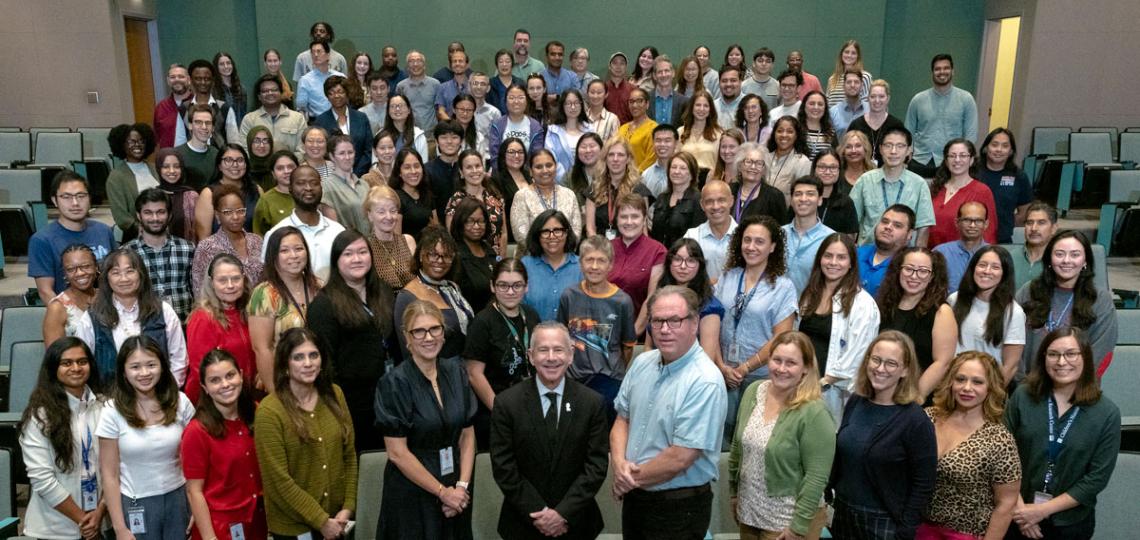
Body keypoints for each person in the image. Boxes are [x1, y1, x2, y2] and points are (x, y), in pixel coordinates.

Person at [611, 286, 729, 539]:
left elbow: (681, 457)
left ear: (695, 322)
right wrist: (620, 466)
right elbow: (622, 419)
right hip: (636, 498)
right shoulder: (642, 362)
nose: (664, 329)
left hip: (678, 508)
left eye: (675, 320)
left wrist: (627, 480)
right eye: (657, 321)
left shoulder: (705, 380)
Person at [489, 320, 609, 540]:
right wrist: (541, 514)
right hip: (523, 524)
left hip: (577, 524)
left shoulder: (592, 403)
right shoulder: (507, 404)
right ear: (531, 355)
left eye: (558, 350)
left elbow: (596, 466)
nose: (551, 357)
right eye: (543, 350)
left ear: (571, 354)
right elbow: (504, 467)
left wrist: (563, 514)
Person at [1004, 328, 1121, 540]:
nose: (1061, 362)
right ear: (1043, 358)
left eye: (1071, 353)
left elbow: (1096, 478)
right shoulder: (1022, 396)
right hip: (1015, 513)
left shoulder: (1107, 413)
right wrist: (1021, 511)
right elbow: (1003, 456)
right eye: (1053, 354)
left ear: (1085, 357)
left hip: (1070, 525)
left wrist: (1041, 511)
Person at [374, 300, 478, 539]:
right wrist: (443, 493)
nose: (428, 338)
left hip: (455, 487)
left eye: (435, 329)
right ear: (407, 337)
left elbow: (468, 434)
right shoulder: (393, 384)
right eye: (419, 331)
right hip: (412, 492)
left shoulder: (456, 371)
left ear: (443, 332)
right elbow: (397, 453)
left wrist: (461, 487)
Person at [828, 331, 937, 540]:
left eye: (890, 364)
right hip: (843, 515)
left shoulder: (915, 420)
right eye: (876, 360)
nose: (880, 369)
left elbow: (924, 482)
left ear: (905, 370)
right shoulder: (856, 402)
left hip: (884, 524)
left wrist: (906, 529)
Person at [728, 331, 836, 540]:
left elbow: (816, 477)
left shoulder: (814, 412)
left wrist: (798, 527)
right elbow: (736, 448)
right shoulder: (754, 391)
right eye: (777, 360)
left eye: (791, 363)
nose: (781, 369)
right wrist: (734, 492)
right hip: (749, 513)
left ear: (805, 368)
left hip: (787, 524)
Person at [254, 327, 357, 540]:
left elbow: (349, 456)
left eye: (313, 355)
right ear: (285, 364)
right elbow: (279, 482)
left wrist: (348, 507)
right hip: (294, 529)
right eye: (298, 357)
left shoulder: (335, 394)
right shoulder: (270, 411)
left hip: (338, 521)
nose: (308, 363)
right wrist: (321, 521)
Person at [96, 336, 195, 540]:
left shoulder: (181, 402)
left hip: (179, 498)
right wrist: (120, 528)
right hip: (136, 502)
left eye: (151, 365)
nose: (144, 373)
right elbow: (109, 475)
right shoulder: (111, 412)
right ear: (123, 371)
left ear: (162, 366)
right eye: (135, 367)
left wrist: (196, 507)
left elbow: (196, 461)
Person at [307, 230, 394, 451]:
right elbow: (325, 362)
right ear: (336, 261)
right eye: (348, 254)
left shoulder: (383, 291)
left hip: (389, 392)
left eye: (362, 252)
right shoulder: (324, 304)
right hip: (352, 401)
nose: (357, 259)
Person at [715, 215, 798, 447]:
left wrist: (745, 367)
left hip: (759, 377)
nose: (751, 247)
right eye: (747, 240)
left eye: (759, 242)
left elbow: (781, 337)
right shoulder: (728, 277)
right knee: (721, 438)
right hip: (722, 372)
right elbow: (711, 323)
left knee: (750, 440)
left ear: (772, 247)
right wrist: (720, 365)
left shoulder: (782, 287)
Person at [920, 351, 1021, 540]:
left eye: (977, 382)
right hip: (919, 528)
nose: (967, 388)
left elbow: (1006, 504)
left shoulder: (1000, 440)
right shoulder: (927, 418)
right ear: (951, 382)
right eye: (960, 379)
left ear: (990, 387)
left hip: (965, 534)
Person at [19, 337, 105, 540]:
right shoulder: (40, 416)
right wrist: (83, 519)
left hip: (101, 522)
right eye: (66, 363)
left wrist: (100, 512)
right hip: (54, 529)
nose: (76, 368)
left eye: (82, 362)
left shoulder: (105, 407)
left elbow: (116, 469)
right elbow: (42, 479)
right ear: (53, 368)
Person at [182, 349, 266, 540]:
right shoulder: (197, 431)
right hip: (221, 529)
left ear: (242, 376)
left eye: (230, 375)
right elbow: (194, 491)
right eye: (215, 380)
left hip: (258, 521)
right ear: (204, 386)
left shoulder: (256, 412)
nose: (225, 384)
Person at [796, 234, 880, 422]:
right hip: (798, 384)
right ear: (820, 259)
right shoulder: (810, 294)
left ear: (851, 263)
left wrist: (822, 383)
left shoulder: (862, 303)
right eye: (828, 256)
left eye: (841, 257)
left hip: (829, 392)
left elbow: (858, 354)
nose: (833, 262)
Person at [75, 249, 187, 385]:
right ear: (106, 278)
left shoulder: (163, 311)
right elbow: (82, 361)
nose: (124, 279)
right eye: (116, 273)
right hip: (110, 398)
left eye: (130, 271)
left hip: (159, 397)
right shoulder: (93, 317)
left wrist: (169, 393)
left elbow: (179, 359)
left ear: (141, 274)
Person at [1016, 230, 1117, 376]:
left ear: (1085, 261)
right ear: (1049, 259)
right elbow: (1012, 341)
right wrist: (1022, 384)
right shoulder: (1029, 291)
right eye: (1059, 254)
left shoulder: (1100, 299)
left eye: (1075, 255)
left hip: (1078, 389)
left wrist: (1069, 386)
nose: (1066, 260)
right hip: (1028, 386)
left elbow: (1101, 351)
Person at [464, 259, 541, 449]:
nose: (510, 291)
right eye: (503, 285)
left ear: (526, 287)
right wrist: (500, 411)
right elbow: (474, 374)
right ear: (492, 286)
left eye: (517, 285)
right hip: (496, 411)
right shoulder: (483, 322)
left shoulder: (531, 315)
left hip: (529, 406)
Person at [557, 235, 637, 416]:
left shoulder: (622, 301)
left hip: (609, 378)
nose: (594, 266)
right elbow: (561, 338)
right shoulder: (569, 295)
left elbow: (627, 347)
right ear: (580, 263)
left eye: (601, 261)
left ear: (610, 265)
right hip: (574, 378)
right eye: (589, 260)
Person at [248, 227, 322, 393]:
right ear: (273, 256)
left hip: (317, 378)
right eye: (285, 250)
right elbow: (262, 349)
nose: (294, 256)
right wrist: (275, 394)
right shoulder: (264, 294)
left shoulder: (317, 286)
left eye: (299, 249)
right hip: (283, 382)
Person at [878, 247, 958, 397]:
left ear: (932, 276)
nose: (914, 276)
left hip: (916, 398)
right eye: (908, 269)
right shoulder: (885, 305)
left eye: (923, 271)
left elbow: (942, 363)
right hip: (881, 392)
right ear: (898, 271)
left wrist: (914, 398)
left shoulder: (942, 312)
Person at [30, 171, 116, 304]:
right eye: (66, 197)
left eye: (81, 196)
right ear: (55, 200)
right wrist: (73, 318)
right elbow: (46, 292)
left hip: (106, 309)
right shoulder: (42, 240)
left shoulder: (103, 230)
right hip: (69, 314)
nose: (75, 203)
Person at [394, 226, 475, 360]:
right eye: (433, 254)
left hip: (462, 370)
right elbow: (409, 352)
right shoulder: (407, 297)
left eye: (446, 256)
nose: (440, 261)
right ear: (420, 255)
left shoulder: (451, 288)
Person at [948, 246, 1026, 385]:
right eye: (982, 265)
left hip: (987, 389)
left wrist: (991, 397)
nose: (987, 271)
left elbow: (1010, 366)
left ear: (1005, 273)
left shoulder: (1014, 312)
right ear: (973, 268)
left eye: (995, 267)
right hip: (951, 383)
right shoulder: (954, 300)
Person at [185, 253, 256, 404]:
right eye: (222, 280)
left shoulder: (250, 311)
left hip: (248, 396)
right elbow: (200, 370)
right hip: (215, 401)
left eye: (236, 279)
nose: (230, 285)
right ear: (211, 283)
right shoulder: (203, 317)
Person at [638, 239, 724, 362]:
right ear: (669, 262)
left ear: (700, 265)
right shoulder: (659, 298)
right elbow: (648, 346)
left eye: (690, 261)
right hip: (656, 369)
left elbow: (707, 358)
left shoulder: (709, 306)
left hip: (692, 375)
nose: (683, 266)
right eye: (677, 259)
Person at [850, 126, 936, 246]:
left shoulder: (919, 184)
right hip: (868, 253)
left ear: (908, 151)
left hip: (904, 258)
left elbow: (923, 229)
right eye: (888, 145)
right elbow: (850, 224)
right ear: (880, 149)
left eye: (900, 146)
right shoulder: (865, 181)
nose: (893, 151)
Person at [261, 165, 346, 282]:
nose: (308, 188)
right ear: (290, 189)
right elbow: (269, 277)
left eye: (314, 183)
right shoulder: (276, 233)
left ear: (321, 188)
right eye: (301, 183)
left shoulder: (337, 230)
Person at [123, 189, 195, 321]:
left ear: (169, 215)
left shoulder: (187, 248)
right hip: (144, 328)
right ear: (139, 216)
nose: (155, 218)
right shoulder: (126, 253)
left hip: (185, 325)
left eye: (160, 212)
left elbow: (197, 291)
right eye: (148, 213)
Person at [905, 54, 979, 178]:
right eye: (937, 69)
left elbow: (971, 134)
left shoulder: (966, 99)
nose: (942, 72)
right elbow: (908, 131)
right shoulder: (918, 100)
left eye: (946, 68)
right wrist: (909, 152)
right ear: (932, 72)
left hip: (951, 163)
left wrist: (962, 158)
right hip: (920, 161)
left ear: (952, 71)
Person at [190, 184, 264, 293]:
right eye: (228, 212)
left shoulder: (257, 241)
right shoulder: (207, 247)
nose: (235, 217)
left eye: (240, 211)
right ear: (217, 215)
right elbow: (199, 290)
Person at [928, 139, 998, 248]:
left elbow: (989, 233)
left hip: (964, 257)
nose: (957, 160)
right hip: (931, 254)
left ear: (971, 160)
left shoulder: (982, 191)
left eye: (963, 155)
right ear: (946, 161)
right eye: (952, 156)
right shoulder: (935, 188)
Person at [608, 194, 667, 319]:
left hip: (638, 329)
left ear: (644, 219)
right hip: (602, 326)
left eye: (635, 216)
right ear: (616, 220)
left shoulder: (658, 251)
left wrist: (634, 332)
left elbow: (652, 298)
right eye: (623, 217)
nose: (629, 222)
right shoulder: (605, 248)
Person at [521, 210, 582, 322]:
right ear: (537, 236)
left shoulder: (581, 266)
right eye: (545, 232)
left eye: (557, 231)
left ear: (566, 233)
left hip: (572, 338)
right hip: (533, 336)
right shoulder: (525, 265)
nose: (552, 236)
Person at [510, 149, 582, 242]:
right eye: (539, 167)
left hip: (565, 254)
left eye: (549, 165)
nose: (545, 170)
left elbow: (576, 231)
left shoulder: (569, 194)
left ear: (555, 167)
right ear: (531, 171)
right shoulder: (522, 196)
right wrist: (548, 248)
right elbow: (521, 235)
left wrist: (560, 249)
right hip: (532, 254)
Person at [585, 138, 650, 238]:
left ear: (628, 159)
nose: (615, 159)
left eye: (620, 155)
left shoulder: (639, 190)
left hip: (629, 247)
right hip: (600, 247)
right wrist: (600, 251)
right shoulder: (594, 189)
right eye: (611, 155)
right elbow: (590, 229)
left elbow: (642, 229)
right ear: (605, 158)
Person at [446, 149, 507, 256]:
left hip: (496, 261)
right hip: (469, 264)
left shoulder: (495, 196)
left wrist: (501, 260)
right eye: (469, 167)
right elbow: (453, 239)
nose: (474, 170)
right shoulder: (456, 201)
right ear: (461, 172)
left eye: (478, 166)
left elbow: (504, 233)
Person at [195, 144, 262, 241]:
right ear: (219, 166)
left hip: (253, 251)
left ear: (246, 164)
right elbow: (203, 238)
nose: (235, 165)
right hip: (219, 253)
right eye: (228, 160)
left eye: (240, 160)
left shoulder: (257, 190)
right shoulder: (209, 194)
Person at [979, 128, 1034, 244]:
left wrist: (1007, 224)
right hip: (971, 237)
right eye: (994, 145)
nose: (999, 150)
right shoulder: (972, 172)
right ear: (985, 148)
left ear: (1011, 151)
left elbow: (1025, 212)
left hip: (1002, 239)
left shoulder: (1019, 176)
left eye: (1005, 146)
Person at [783, 176, 836, 294]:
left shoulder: (832, 239)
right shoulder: (778, 234)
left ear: (820, 200)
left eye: (810, 194)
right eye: (798, 194)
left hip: (813, 309)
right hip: (776, 309)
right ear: (791, 200)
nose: (803, 199)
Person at [106, 123, 159, 240]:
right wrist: (146, 230)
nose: (137, 145)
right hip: (136, 236)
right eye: (131, 141)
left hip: (162, 231)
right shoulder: (116, 177)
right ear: (122, 145)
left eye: (141, 141)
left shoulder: (155, 168)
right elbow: (121, 217)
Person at [313, 76, 372, 176]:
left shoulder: (361, 118)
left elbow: (368, 150)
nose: (336, 96)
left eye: (340, 91)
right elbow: (320, 153)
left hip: (361, 174)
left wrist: (356, 173)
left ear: (347, 93)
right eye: (331, 93)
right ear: (327, 96)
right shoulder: (320, 121)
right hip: (331, 176)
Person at [448, 199, 498, 313]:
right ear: (460, 222)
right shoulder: (454, 253)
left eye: (481, 221)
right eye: (470, 221)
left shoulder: (489, 249)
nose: (477, 226)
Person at [684, 180, 738, 283]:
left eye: (721, 200)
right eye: (709, 202)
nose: (716, 206)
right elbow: (683, 274)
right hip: (701, 296)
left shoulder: (745, 237)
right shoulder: (692, 236)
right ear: (702, 205)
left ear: (731, 201)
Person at [43, 245, 98, 345]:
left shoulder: (107, 297)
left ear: (96, 267)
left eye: (86, 266)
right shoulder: (57, 308)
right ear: (65, 274)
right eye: (71, 269)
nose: (80, 273)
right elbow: (54, 355)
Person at [365, 184, 417, 290]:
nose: (389, 217)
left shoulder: (408, 241)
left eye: (393, 211)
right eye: (381, 212)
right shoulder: (365, 247)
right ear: (370, 215)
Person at [857, 204, 915, 297]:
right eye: (884, 221)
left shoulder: (909, 268)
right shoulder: (855, 254)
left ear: (909, 234)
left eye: (897, 225)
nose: (888, 227)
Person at [651, 151, 706, 249]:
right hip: (659, 256)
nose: (677, 171)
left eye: (683, 168)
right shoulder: (662, 198)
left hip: (684, 258)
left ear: (692, 174)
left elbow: (698, 237)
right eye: (674, 167)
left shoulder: (698, 200)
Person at [241, 74, 307, 154]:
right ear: (259, 96)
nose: (270, 93)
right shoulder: (249, 120)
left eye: (274, 90)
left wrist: (287, 163)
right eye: (265, 91)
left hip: (290, 166)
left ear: (281, 93)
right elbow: (244, 150)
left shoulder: (298, 118)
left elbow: (302, 150)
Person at [181, 59, 241, 147]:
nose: (203, 82)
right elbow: (180, 140)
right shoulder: (183, 108)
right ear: (190, 80)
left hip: (219, 158)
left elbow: (234, 141)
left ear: (213, 80)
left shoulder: (224, 108)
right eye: (198, 78)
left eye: (207, 79)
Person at [934, 201, 991, 293]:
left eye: (978, 221)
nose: (972, 225)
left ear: (986, 224)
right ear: (957, 222)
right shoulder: (941, 253)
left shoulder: (995, 255)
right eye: (967, 220)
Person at [847, 79, 905, 166]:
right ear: (868, 98)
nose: (877, 100)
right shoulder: (856, 125)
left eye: (881, 96)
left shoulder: (896, 125)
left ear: (888, 98)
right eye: (873, 96)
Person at [321, 134, 371, 235]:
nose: (347, 157)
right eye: (342, 153)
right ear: (332, 156)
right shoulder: (326, 187)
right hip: (348, 245)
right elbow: (332, 229)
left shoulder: (364, 185)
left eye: (350, 152)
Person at [731, 142, 788, 224]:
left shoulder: (775, 196)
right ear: (740, 166)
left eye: (759, 163)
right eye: (748, 162)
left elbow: (781, 229)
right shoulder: (729, 190)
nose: (753, 167)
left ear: (764, 169)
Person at [488, 85, 545, 164]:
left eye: (520, 97)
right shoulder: (497, 125)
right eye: (511, 98)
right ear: (505, 101)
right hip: (502, 173)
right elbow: (495, 157)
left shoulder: (535, 127)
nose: (516, 101)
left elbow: (537, 158)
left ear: (527, 101)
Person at [544, 89, 592, 180]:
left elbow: (596, 158)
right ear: (562, 106)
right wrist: (567, 180)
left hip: (588, 182)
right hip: (560, 183)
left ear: (581, 105)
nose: (573, 107)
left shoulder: (590, 130)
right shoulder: (553, 131)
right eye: (568, 103)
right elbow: (549, 159)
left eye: (576, 103)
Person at [154, 148, 200, 243]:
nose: (172, 171)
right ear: (159, 169)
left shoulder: (191, 196)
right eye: (166, 167)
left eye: (176, 166)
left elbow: (199, 231)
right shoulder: (154, 196)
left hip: (188, 251)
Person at [1010, 201, 1059, 289]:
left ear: (1054, 228)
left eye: (1041, 223)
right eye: (1029, 223)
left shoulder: (1061, 261)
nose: (1034, 228)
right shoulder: (1011, 257)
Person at [766, 116, 813, 204]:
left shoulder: (802, 161)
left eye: (790, 131)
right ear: (774, 134)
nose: (784, 135)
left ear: (796, 136)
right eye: (780, 131)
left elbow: (802, 194)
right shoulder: (765, 157)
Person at [812, 149, 859, 236]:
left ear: (839, 171)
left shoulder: (846, 203)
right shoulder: (803, 198)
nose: (827, 172)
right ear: (814, 169)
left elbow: (850, 238)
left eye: (833, 168)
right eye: (822, 167)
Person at [174, 105, 221, 190]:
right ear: (190, 126)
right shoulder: (176, 154)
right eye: (198, 122)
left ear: (213, 128)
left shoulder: (216, 154)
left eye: (208, 123)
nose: (204, 127)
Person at [295, 41, 346, 120]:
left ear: (328, 55)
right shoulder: (305, 80)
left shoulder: (340, 76)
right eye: (313, 52)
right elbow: (302, 108)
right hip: (317, 122)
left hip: (341, 120)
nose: (315, 55)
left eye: (319, 51)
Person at [493, 138, 531, 242]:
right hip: (511, 234)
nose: (517, 156)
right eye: (511, 152)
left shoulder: (529, 175)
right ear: (503, 155)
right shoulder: (497, 179)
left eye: (520, 152)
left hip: (534, 231)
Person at [252, 151, 298, 235]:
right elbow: (258, 234)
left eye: (290, 167)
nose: (286, 171)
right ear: (273, 174)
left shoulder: (307, 194)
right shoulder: (266, 200)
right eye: (280, 168)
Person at [396, 50, 442, 133]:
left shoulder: (435, 84)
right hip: (409, 136)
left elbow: (439, 110)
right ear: (407, 66)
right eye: (411, 61)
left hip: (431, 136)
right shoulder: (401, 86)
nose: (415, 64)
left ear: (424, 65)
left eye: (418, 61)